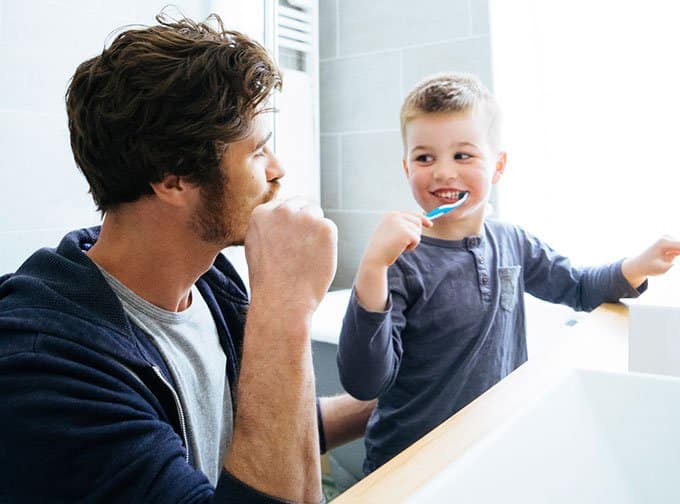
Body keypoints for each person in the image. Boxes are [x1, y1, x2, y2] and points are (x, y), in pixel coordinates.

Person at [0, 12, 374, 504]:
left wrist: (398, 401)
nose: (279, 170)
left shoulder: (210, 279)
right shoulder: (47, 371)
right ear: (173, 178)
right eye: (258, 151)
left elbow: (256, 435)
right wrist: (284, 310)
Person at [336, 72, 680, 475]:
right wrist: (373, 267)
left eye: (463, 155)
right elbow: (365, 383)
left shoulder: (513, 241)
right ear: (406, 165)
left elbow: (579, 287)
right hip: (407, 464)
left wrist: (637, 266)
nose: (444, 172)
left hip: (488, 446)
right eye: (424, 158)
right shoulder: (401, 260)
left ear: (498, 165)